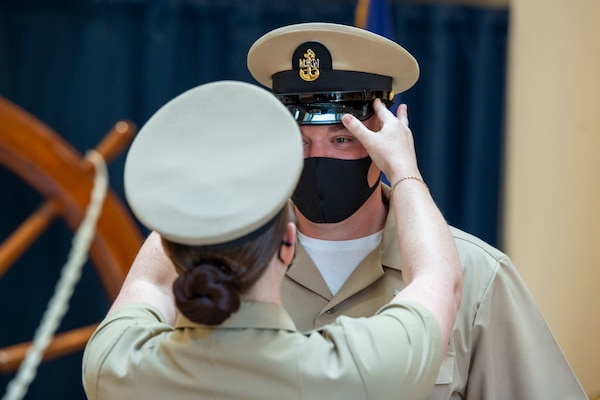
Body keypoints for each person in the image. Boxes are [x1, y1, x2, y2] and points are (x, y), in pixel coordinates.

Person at [244, 22, 588, 399]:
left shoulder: (476, 272)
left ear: (387, 136)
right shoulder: (232, 269)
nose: (317, 156)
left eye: (343, 139)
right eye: (301, 140)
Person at [81, 80, 463, 400]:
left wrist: (196, 188)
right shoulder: (356, 369)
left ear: (171, 245)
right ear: (288, 243)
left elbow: (149, 282)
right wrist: (403, 169)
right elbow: (438, 280)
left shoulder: (116, 364)